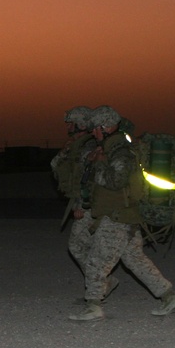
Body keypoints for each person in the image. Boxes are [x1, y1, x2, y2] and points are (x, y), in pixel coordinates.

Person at [68, 106, 175, 321]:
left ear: (108, 127)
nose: (94, 133)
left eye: (97, 129)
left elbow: (116, 181)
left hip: (119, 216)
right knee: (135, 260)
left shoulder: (121, 152)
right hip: (119, 215)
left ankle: (93, 305)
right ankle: (169, 297)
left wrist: (99, 164)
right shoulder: (109, 149)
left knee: (97, 260)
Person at [51, 106, 118, 299]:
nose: (68, 126)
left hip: (89, 204)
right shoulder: (77, 144)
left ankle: (101, 284)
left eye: (72, 123)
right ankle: (102, 282)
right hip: (85, 202)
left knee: (79, 246)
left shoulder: (89, 145)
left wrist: (81, 204)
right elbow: (56, 166)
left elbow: (88, 177)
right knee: (87, 246)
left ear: (81, 123)